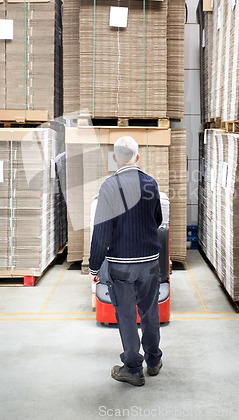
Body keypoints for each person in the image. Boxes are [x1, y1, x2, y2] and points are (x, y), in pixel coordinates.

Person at [88, 136, 163, 387]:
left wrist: (94, 266)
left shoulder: (109, 187)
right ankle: (153, 361)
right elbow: (158, 220)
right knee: (150, 313)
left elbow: (101, 231)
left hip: (121, 265)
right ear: (137, 157)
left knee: (127, 316)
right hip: (150, 263)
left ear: (114, 158)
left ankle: (133, 369)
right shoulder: (151, 184)